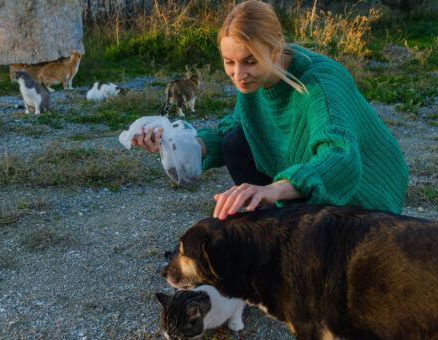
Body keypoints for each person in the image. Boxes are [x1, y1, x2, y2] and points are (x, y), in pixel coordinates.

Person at [132, 0, 408, 220]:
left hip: (364, 196)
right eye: (229, 62)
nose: (238, 74)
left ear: (276, 49)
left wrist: (271, 190)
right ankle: (278, 220)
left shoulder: (318, 84)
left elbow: (341, 158)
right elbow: (239, 127)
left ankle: (287, 221)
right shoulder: (255, 82)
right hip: (308, 175)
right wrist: (175, 143)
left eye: (250, 61)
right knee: (236, 142)